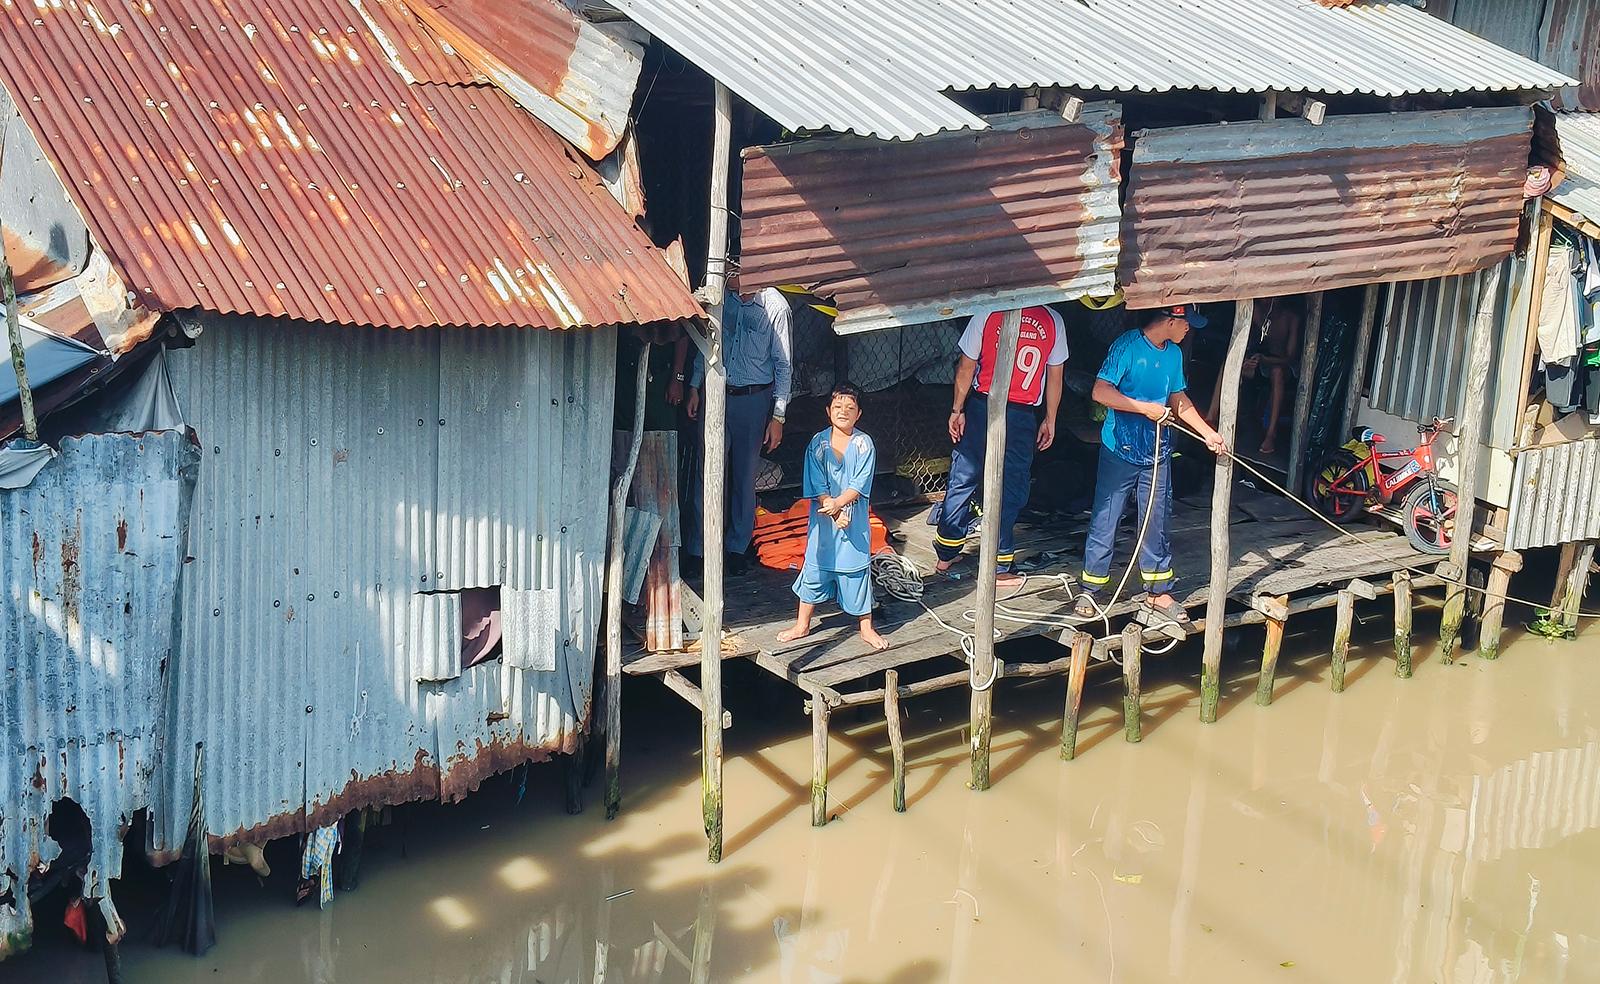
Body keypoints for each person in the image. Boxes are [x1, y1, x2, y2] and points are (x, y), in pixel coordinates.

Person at [1076, 304, 1227, 626]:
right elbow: (1100, 391)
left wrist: (1208, 434)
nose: (1191, 329)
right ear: (1171, 321)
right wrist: (1144, 408)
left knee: (1157, 518)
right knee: (1107, 516)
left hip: (1156, 451)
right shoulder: (1127, 346)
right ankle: (1091, 588)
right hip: (1120, 445)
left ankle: (1159, 590)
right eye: (1187, 323)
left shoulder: (1173, 355)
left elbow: (1179, 399)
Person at [933, 305, 1067, 584]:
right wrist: (1050, 419)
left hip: (983, 404)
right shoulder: (1053, 319)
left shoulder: (986, 312)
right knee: (1012, 484)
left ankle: (946, 554)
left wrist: (957, 409)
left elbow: (966, 367)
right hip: (1021, 414)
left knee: (964, 477)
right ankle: (1000, 563)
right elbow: (1055, 376)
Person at [686, 277, 794, 576]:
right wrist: (694, 385)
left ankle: (737, 547)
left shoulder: (775, 307)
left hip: (753, 398)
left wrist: (778, 416)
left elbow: (784, 365)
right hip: (717, 392)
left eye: (732, 269)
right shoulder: (722, 297)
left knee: (744, 476)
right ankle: (699, 547)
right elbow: (707, 341)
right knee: (706, 472)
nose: (726, 276)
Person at [776, 384, 887, 650]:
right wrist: (833, 508)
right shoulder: (818, 443)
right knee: (814, 568)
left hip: (854, 522)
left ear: (859, 414)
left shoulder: (864, 444)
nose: (843, 412)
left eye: (850, 408)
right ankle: (802, 624)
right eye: (838, 407)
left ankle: (866, 627)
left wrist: (839, 504)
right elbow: (816, 483)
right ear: (828, 411)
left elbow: (860, 483)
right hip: (823, 524)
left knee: (856, 572)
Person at [1205, 298, 1301, 456]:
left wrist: (1265, 360)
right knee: (1229, 363)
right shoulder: (1256, 312)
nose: (1263, 301)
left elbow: (1290, 357)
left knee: (1277, 373)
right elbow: (1247, 343)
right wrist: (1248, 360)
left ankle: (1271, 433)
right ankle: (1212, 416)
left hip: (1282, 365)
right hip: (1259, 359)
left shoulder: (1291, 318)